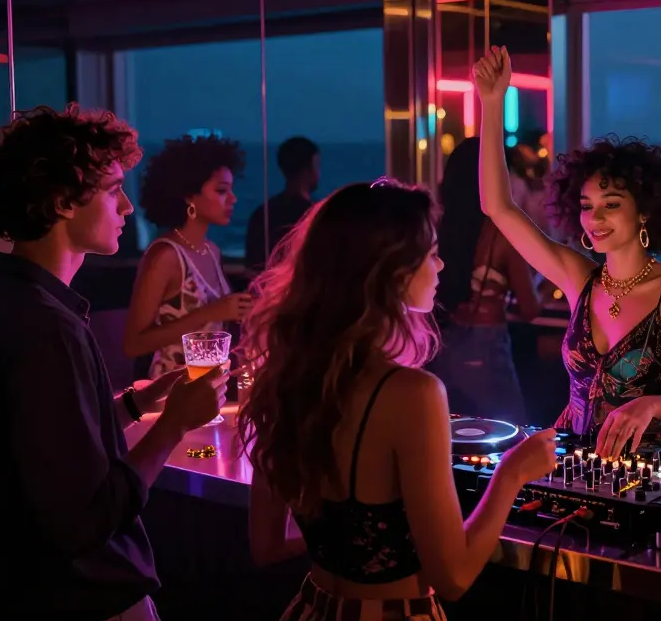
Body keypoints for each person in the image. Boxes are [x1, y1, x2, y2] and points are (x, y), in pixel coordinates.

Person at [0, 105, 228, 620]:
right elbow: (86, 517)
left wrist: (133, 405)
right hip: (82, 599)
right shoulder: (46, 328)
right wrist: (173, 424)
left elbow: (34, 450)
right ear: (63, 201)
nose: (127, 207)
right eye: (113, 190)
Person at [238, 179, 558, 619]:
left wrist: (349, 545)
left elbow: (267, 547)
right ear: (392, 274)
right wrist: (511, 473)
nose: (441, 265)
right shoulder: (413, 394)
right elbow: (454, 577)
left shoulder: (286, 377)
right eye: (431, 254)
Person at [474, 46, 661, 458]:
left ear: (644, 211)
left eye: (611, 204)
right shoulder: (580, 279)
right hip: (569, 460)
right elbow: (498, 207)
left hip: (644, 468)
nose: (596, 218)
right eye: (587, 206)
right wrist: (492, 102)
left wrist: (654, 404)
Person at [429, 136, 541, 423]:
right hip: (488, 346)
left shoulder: (436, 227)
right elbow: (530, 308)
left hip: (442, 344)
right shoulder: (501, 233)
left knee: (452, 428)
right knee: (509, 429)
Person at [124, 134, 253, 377]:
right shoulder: (165, 256)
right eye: (222, 190)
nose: (233, 198)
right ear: (189, 195)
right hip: (170, 390)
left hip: (209, 388)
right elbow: (134, 344)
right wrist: (211, 313)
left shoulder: (211, 251)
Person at [245, 135, 320, 274]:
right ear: (307, 170)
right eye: (316, 167)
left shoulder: (262, 214)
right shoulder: (315, 216)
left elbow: (252, 266)